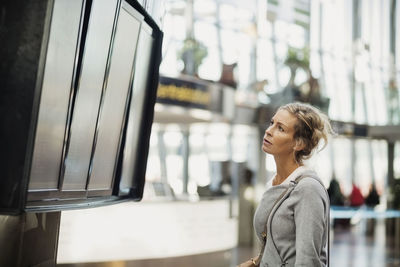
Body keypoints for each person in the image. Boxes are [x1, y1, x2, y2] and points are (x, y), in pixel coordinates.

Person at [240, 102, 333, 267]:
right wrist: (256, 262)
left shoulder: (308, 189)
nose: (269, 131)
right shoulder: (276, 182)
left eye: (280, 128)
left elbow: (308, 262)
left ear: (298, 144)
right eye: (272, 123)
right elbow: (279, 246)